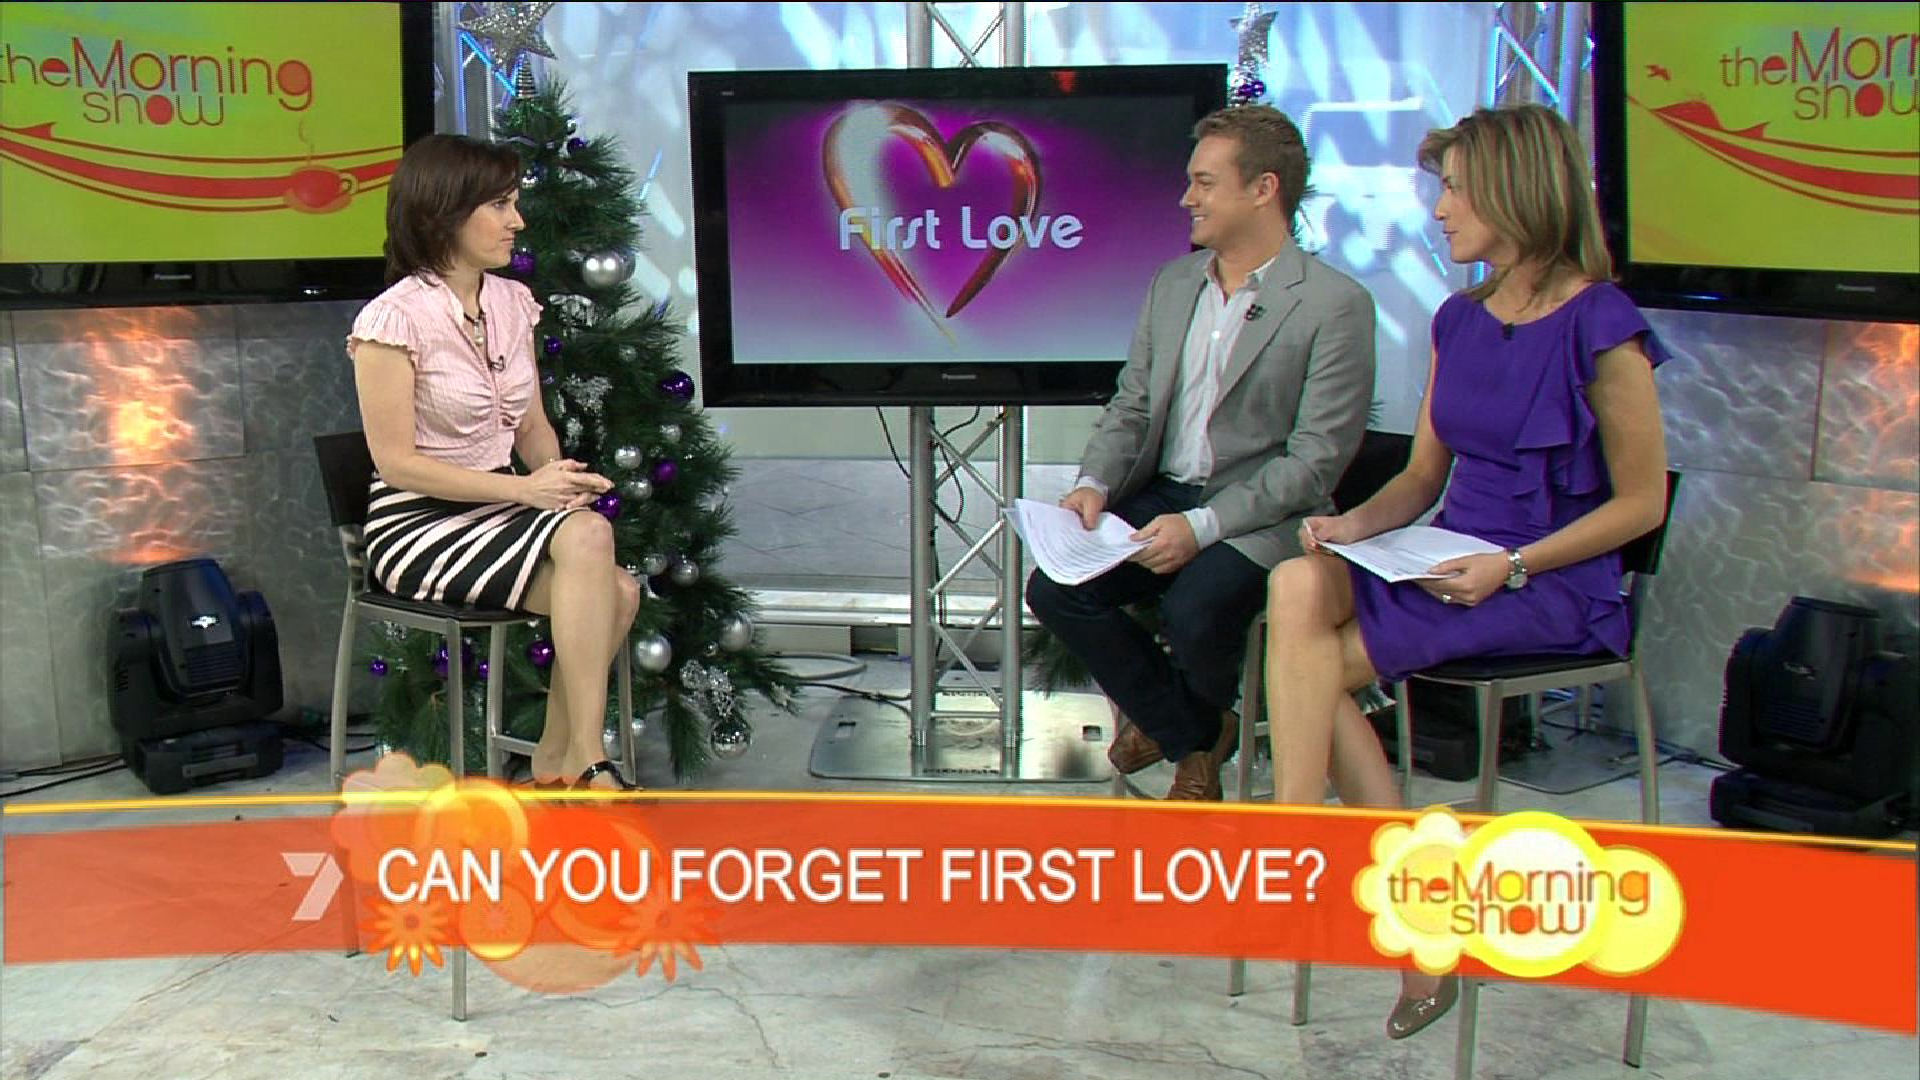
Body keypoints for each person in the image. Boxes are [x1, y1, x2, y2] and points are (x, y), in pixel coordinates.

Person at [1261, 103, 1670, 1038]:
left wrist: (1513, 564)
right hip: (1447, 554)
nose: (1439, 210)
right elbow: (1422, 478)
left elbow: (1641, 505)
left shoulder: (1603, 323)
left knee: (1312, 663)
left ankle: (1335, 883)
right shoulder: (1459, 318)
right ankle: (1312, 855)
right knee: (1296, 584)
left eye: (1453, 189)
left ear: (1513, 190)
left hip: (1553, 579)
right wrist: (1351, 526)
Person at [1026, 105, 1376, 802]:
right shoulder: (1173, 285)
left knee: (1196, 605)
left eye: (1205, 183)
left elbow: (1314, 461)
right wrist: (1095, 483)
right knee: (1055, 589)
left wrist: (1202, 527)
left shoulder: (1334, 304)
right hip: (1168, 490)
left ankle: (1187, 745)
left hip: (1264, 511)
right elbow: (1133, 405)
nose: (1187, 198)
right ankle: (1196, 732)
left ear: (1264, 189)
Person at [346, 134, 641, 791]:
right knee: (595, 551)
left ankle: (559, 760)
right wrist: (527, 493)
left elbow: (531, 427)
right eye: (500, 206)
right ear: (445, 213)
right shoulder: (391, 320)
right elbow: (396, 465)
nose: (518, 222)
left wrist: (559, 482)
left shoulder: (510, 302)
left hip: (499, 512)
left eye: (515, 203)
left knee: (616, 584)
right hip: (418, 525)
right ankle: (582, 758)